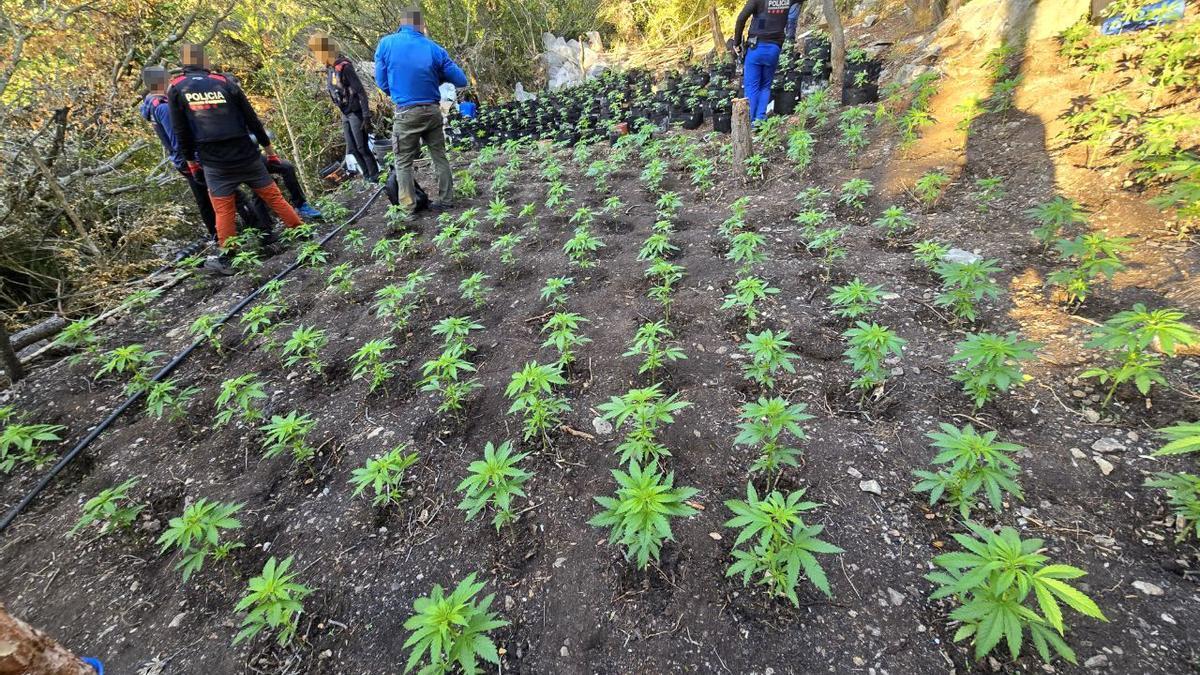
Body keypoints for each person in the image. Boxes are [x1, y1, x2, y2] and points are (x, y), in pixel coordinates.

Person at [167, 43, 304, 275]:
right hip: (246, 154)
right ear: (204, 61)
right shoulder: (224, 82)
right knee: (274, 196)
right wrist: (269, 151)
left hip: (214, 161)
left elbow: (181, 132)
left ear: (185, 63)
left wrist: (191, 162)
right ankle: (301, 231)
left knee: (223, 210)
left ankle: (229, 257)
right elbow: (253, 120)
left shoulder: (177, 88)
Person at [140, 66, 262, 270]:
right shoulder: (163, 107)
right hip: (192, 161)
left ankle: (232, 240)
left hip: (185, 161)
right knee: (229, 197)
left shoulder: (152, 104)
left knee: (210, 200)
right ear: (162, 81)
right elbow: (178, 139)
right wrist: (194, 162)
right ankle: (241, 242)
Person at [374, 9, 468, 217]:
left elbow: (380, 82)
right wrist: (437, 78)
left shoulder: (386, 44)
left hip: (406, 112)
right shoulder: (434, 48)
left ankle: (409, 208)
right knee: (439, 156)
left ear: (402, 24)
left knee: (403, 161)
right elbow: (461, 80)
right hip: (432, 111)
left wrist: (399, 91)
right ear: (421, 26)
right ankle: (446, 200)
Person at [307, 33, 381, 183]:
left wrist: (366, 116)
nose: (316, 56)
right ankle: (367, 176)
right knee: (352, 149)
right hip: (345, 114)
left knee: (362, 147)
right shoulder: (330, 69)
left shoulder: (344, 67)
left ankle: (375, 176)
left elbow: (361, 91)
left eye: (317, 52)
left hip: (356, 113)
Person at [733, 0, 803, 122]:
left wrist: (737, 42)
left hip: (756, 48)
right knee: (765, 86)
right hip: (774, 49)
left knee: (751, 86)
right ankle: (759, 119)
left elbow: (741, 19)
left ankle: (750, 121)